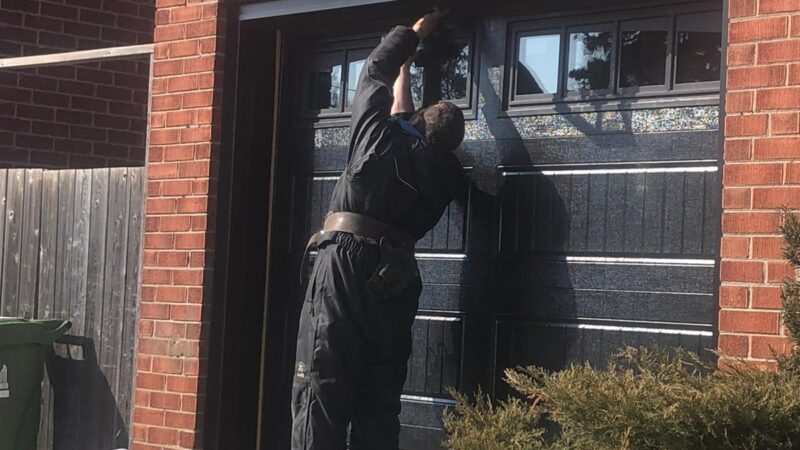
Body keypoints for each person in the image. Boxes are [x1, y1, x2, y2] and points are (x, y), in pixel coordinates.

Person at [291, 7, 466, 450]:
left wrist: (411, 35)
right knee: (379, 401)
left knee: (322, 389)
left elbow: (375, 71)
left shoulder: (376, 135)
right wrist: (409, 70)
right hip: (396, 277)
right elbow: (409, 119)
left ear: (413, 125)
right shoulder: (447, 173)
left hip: (347, 266)